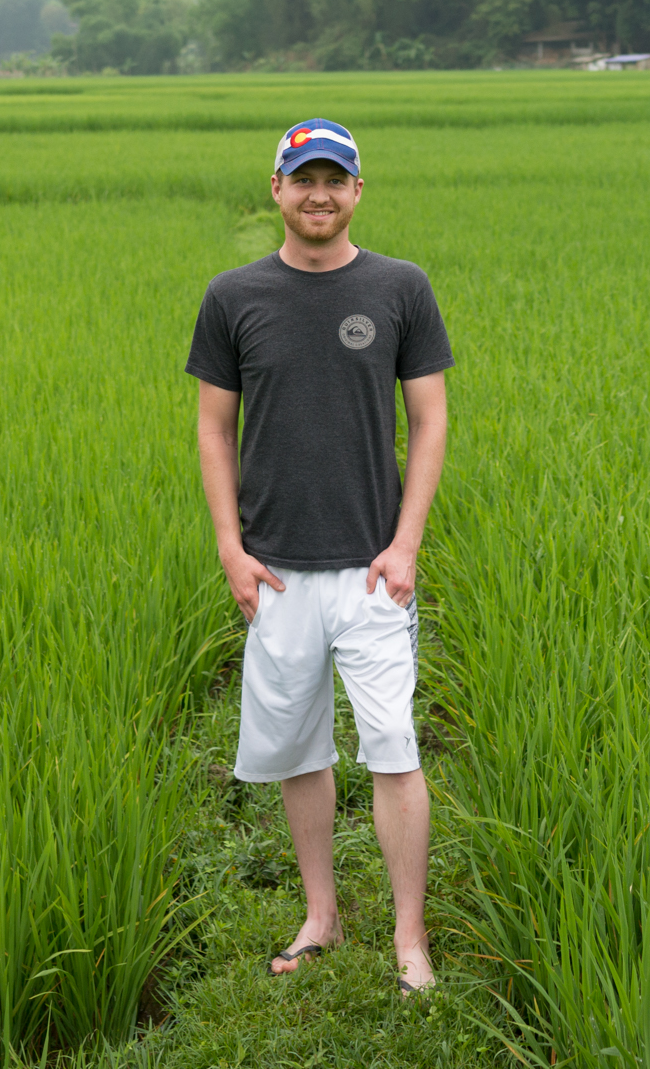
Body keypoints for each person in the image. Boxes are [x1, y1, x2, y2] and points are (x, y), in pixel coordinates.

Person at [186, 118, 453, 996]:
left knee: (393, 748)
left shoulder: (400, 287)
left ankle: (408, 936)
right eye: (304, 179)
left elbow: (429, 420)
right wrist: (230, 546)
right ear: (277, 188)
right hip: (276, 571)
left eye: (336, 180)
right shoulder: (234, 297)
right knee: (300, 746)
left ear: (358, 192)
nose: (319, 195)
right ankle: (322, 914)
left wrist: (407, 543)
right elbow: (214, 428)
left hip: (375, 565)